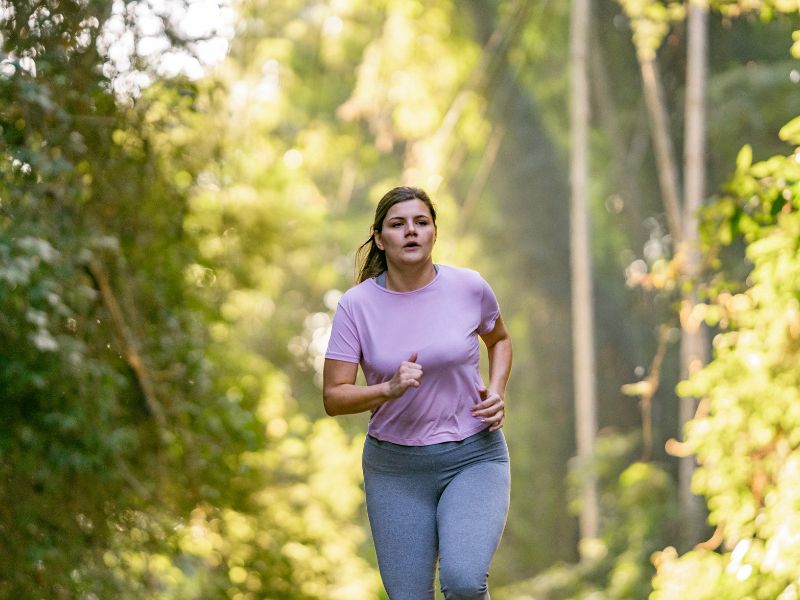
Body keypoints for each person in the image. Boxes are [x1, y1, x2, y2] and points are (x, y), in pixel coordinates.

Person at [323, 186, 512, 600]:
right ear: (379, 237)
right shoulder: (356, 306)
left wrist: (496, 392)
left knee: (463, 583)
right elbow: (334, 397)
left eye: (421, 222)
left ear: (434, 233)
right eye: (398, 224)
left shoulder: (469, 287)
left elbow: (499, 340)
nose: (411, 231)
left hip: (473, 455)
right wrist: (387, 388)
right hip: (395, 469)